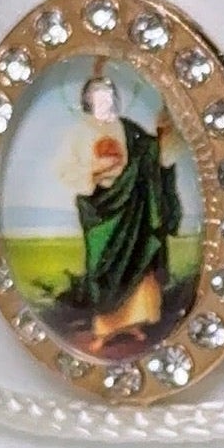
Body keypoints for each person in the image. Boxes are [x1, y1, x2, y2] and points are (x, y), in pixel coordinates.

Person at [53, 62, 183, 352]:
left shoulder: (128, 128)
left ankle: (133, 322)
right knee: (103, 265)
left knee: (138, 260)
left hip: (132, 207)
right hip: (101, 209)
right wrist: (95, 171)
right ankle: (104, 330)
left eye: (109, 98)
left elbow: (150, 155)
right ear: (88, 102)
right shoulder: (78, 132)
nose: (105, 103)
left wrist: (161, 134)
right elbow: (65, 169)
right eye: (99, 99)